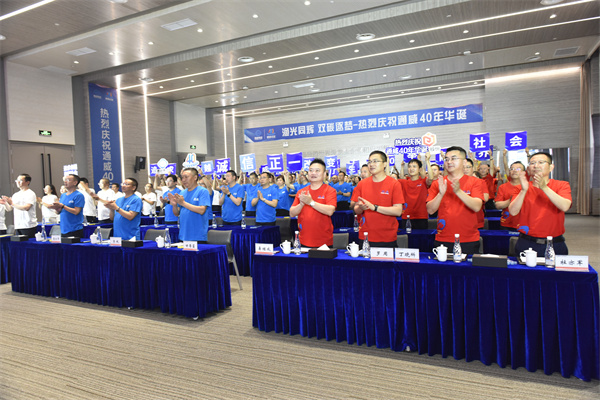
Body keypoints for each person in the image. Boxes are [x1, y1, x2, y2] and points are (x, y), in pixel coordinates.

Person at [509, 152, 571, 256]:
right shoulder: (521, 188)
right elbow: (513, 211)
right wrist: (523, 191)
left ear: (551, 167)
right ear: (528, 169)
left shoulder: (561, 185)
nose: (536, 166)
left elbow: (565, 206)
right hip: (527, 242)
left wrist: (544, 187)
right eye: (532, 163)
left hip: (554, 243)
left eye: (541, 162)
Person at [426, 146, 485, 255]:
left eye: (453, 158)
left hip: (468, 239)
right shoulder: (438, 183)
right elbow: (430, 210)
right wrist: (440, 194)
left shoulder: (475, 182)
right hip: (443, 238)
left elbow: (477, 206)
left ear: (464, 162)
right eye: (447, 159)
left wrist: (458, 191)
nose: (449, 162)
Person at [352, 151, 404, 248]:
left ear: (384, 164)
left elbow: (398, 211)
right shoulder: (362, 184)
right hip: (365, 236)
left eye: (375, 161)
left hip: (387, 237)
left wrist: (374, 207)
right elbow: (356, 210)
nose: (371, 164)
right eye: (369, 162)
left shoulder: (394, 184)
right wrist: (360, 208)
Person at [290, 159, 337, 247]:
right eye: (311, 170)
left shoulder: (330, 190)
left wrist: (311, 202)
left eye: (317, 171)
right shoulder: (301, 192)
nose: (313, 173)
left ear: (324, 174)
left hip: (324, 241)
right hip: (303, 240)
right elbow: (292, 213)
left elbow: (330, 211)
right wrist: (301, 204)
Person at [169, 168, 210, 242]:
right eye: (182, 177)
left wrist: (183, 203)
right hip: (183, 235)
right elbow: (177, 213)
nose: (183, 180)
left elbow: (202, 210)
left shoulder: (203, 191)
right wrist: (174, 205)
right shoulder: (182, 193)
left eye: (186, 177)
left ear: (195, 177)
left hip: (197, 236)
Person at [398, 157, 429, 230]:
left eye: (414, 166)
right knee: (406, 236)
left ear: (419, 169)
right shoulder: (404, 182)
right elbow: (391, 179)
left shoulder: (423, 181)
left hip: (421, 217)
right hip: (406, 216)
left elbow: (430, 178)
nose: (411, 168)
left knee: (422, 236)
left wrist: (427, 161)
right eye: (409, 167)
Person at [494, 161, 524, 231]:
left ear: (523, 173)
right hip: (506, 223)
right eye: (512, 169)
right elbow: (498, 205)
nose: (514, 171)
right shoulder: (502, 187)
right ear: (509, 172)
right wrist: (511, 200)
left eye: (518, 169)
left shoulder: (529, 187)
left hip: (524, 224)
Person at [464, 158, 488, 229]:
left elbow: (485, 198)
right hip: (460, 220)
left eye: (468, 167)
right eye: (463, 167)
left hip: (476, 218)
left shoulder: (480, 182)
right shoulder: (456, 182)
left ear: (473, 168)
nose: (465, 169)